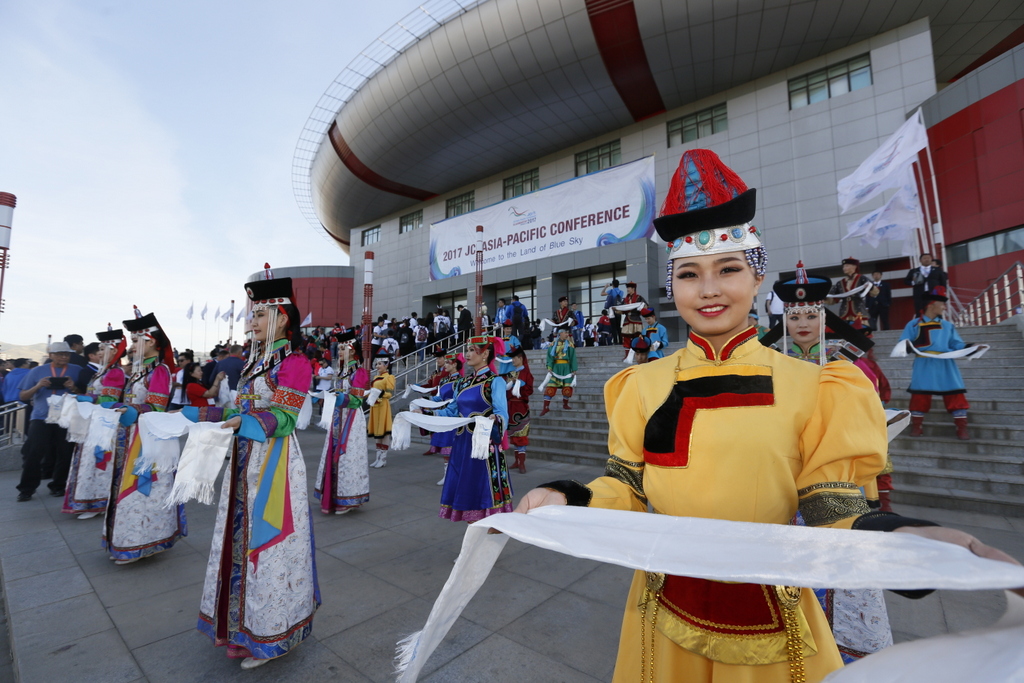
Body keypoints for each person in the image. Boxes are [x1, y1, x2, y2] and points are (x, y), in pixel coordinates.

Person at [512, 149, 1014, 683]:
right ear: (672, 286)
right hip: (660, 611)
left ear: (757, 279)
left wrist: (901, 537)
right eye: (689, 274)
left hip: (774, 620)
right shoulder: (640, 385)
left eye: (728, 269)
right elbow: (628, 486)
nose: (708, 289)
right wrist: (571, 495)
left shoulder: (816, 386)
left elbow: (830, 504)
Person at [181, 275, 318, 669]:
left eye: (260, 314)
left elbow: (286, 417)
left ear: (282, 318)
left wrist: (247, 422)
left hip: (274, 462)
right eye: (251, 314)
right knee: (238, 541)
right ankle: (242, 629)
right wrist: (200, 415)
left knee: (268, 546)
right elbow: (236, 411)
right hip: (244, 460)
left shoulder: (294, 363)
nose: (251, 321)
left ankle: (273, 631)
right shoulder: (255, 362)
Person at [105, 312, 185, 565]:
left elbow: (156, 407)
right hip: (131, 434)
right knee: (127, 487)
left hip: (148, 439)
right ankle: (127, 539)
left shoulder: (159, 370)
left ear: (151, 341)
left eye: (135, 341)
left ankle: (141, 541)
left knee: (142, 490)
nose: (131, 347)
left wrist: (129, 409)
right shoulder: (140, 371)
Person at [429, 335, 512, 521]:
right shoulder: (462, 383)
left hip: (483, 444)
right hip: (462, 443)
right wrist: (426, 412)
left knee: (483, 484)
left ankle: (488, 522)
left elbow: (502, 412)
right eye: (467, 350)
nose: (467, 354)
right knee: (466, 483)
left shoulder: (494, 381)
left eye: (472, 350)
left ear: (485, 354)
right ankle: (472, 522)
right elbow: (451, 411)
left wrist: (496, 419)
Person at [63, 330, 127, 519]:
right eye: (99, 348)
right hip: (93, 420)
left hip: (104, 422)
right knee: (88, 461)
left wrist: (85, 398)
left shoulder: (115, 372)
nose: (99, 352)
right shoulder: (102, 371)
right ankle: (87, 499)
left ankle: (97, 501)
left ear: (114, 351)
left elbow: (109, 399)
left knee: (98, 462)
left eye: (103, 348)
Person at [897, 286, 975, 440]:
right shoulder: (913, 324)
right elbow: (903, 343)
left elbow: (956, 344)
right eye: (942, 304)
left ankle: (961, 428)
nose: (945, 307)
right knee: (920, 395)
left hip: (946, 363)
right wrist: (906, 346)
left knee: (955, 393)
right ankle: (917, 426)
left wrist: (970, 347)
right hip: (924, 363)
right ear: (931, 305)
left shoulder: (947, 326)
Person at [16, 341, 82, 501]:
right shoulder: (37, 371)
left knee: (65, 453)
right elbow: (23, 396)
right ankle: (26, 489)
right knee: (34, 453)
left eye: (67, 354)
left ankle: (59, 486)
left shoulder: (77, 370)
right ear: (51, 355)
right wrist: (38, 386)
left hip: (66, 418)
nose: (64, 357)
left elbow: (86, 394)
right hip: (41, 418)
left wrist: (73, 388)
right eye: (60, 354)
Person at [315, 342, 370, 515]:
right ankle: (333, 497)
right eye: (338, 348)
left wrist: (340, 398)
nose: (339, 351)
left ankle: (348, 497)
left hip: (351, 418)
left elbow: (357, 400)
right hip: (338, 415)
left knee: (348, 456)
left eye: (343, 349)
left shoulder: (358, 372)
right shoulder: (341, 371)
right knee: (332, 453)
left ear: (352, 351)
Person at [504, 343, 533, 474]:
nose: (513, 360)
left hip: (521, 407)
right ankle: (517, 461)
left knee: (521, 435)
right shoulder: (511, 373)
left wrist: (520, 384)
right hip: (511, 406)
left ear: (521, 358)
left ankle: (522, 463)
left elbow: (529, 390)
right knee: (514, 436)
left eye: (514, 358)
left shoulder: (526, 373)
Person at [827, 257, 877, 329]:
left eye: (846, 266)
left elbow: (874, 292)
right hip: (845, 312)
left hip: (859, 311)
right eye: (843, 266)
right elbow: (832, 298)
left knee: (861, 331)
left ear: (854, 267)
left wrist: (871, 287)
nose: (844, 268)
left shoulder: (862, 279)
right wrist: (825, 297)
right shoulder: (840, 283)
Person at [540, 327, 577, 416]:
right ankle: (546, 407)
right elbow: (549, 357)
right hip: (556, 368)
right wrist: (549, 367)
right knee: (550, 387)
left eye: (567, 333)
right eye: (565, 333)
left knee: (567, 387)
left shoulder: (570, 345)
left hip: (567, 368)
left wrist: (574, 369)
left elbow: (573, 358)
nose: (567, 335)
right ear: (560, 334)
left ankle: (565, 404)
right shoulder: (553, 344)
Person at [368, 359, 395, 468]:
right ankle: (378, 458)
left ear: (386, 366)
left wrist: (379, 393)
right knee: (377, 432)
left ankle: (383, 459)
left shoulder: (389, 377)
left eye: (380, 364)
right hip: (375, 405)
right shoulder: (375, 377)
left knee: (384, 432)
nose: (377, 366)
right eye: (377, 364)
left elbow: (389, 393)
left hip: (383, 405)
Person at [905, 253, 947, 317]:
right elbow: (906, 281)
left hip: (934, 294)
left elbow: (943, 282)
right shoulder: (914, 271)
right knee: (920, 311)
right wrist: (914, 282)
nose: (927, 260)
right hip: (920, 294)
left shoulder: (937, 270)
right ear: (920, 260)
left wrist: (943, 292)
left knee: (936, 310)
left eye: (928, 258)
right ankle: (921, 322)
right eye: (924, 258)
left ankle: (937, 323)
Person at [616, 282, 647, 359]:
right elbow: (622, 310)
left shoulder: (639, 298)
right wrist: (616, 309)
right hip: (627, 320)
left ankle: (639, 353)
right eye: (627, 288)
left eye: (629, 288)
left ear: (633, 289)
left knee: (638, 337)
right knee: (626, 338)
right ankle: (627, 355)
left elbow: (645, 306)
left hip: (636, 319)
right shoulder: (625, 299)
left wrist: (642, 307)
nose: (627, 289)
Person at [601, 279, 625, 345]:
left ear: (613, 285)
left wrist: (605, 287)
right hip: (619, 310)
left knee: (613, 327)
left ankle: (615, 341)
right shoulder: (621, 292)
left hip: (612, 310)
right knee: (618, 326)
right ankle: (620, 340)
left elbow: (602, 294)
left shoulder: (611, 291)